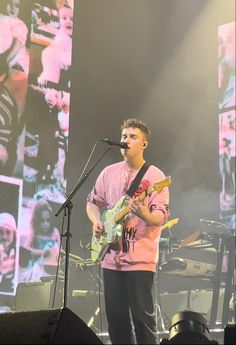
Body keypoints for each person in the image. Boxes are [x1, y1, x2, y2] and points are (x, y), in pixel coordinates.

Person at [86, 118, 170, 344]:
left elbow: (159, 217)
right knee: (116, 321)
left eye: (133, 137)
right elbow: (92, 202)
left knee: (143, 320)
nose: (126, 140)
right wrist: (96, 221)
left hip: (140, 260)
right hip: (110, 260)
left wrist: (143, 213)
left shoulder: (156, 177)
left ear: (144, 144)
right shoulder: (107, 173)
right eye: (124, 136)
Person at [20, 199, 61, 282]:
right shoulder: (35, 233)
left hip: (54, 270)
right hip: (39, 270)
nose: (46, 224)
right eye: (42, 221)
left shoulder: (55, 232)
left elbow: (61, 250)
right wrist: (42, 252)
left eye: (48, 221)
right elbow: (26, 249)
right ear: (38, 221)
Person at [37, 3, 73, 88]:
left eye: (72, 19)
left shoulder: (68, 36)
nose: (68, 21)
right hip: (59, 72)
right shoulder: (61, 37)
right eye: (64, 18)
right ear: (59, 21)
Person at [0, 0, 29, 78]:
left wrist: (4, 62)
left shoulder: (19, 23)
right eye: (10, 3)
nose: (13, 8)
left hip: (15, 64)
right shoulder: (2, 17)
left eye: (16, 5)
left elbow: (18, 43)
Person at [0, 212, 17, 292]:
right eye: (0, 232)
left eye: (8, 232)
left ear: (14, 234)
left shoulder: (17, 253)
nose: (4, 236)